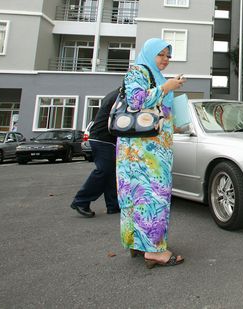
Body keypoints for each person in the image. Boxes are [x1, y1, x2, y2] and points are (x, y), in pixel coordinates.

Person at [116, 38, 186, 268]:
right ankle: (154, 251)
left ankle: (138, 243)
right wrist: (167, 88)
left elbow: (160, 114)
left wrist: (175, 124)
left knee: (139, 196)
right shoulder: (138, 71)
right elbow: (136, 100)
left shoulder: (157, 77)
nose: (165, 59)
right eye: (161, 54)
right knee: (152, 196)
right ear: (149, 53)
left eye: (168, 56)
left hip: (152, 150)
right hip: (143, 153)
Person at [70, 87, 120, 218]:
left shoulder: (114, 94)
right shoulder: (120, 97)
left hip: (102, 138)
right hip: (103, 138)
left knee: (111, 172)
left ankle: (113, 205)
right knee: (104, 171)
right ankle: (80, 201)